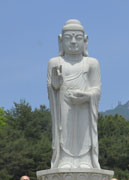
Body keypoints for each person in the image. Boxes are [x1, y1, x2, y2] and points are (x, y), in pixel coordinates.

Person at [47, 19, 101, 169]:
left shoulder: (92, 63)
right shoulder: (55, 62)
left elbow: (96, 88)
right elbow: (52, 89)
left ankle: (85, 159)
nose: (72, 42)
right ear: (60, 40)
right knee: (64, 129)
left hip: (84, 105)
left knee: (84, 130)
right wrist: (56, 83)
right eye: (68, 38)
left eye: (77, 38)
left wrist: (88, 96)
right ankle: (65, 158)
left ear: (85, 40)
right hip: (63, 105)